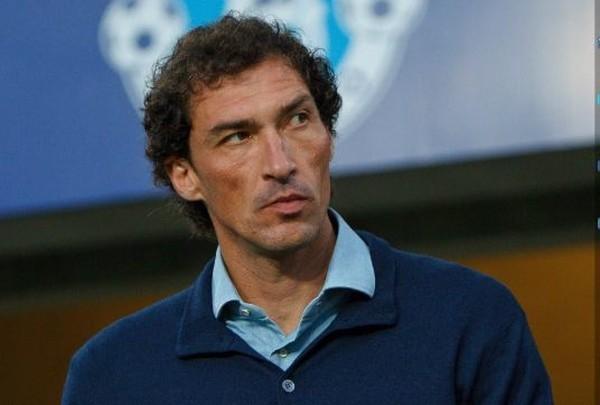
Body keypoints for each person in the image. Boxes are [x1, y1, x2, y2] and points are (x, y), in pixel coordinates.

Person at [62, 14, 552, 405]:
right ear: (184, 175)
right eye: (238, 137)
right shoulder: (113, 375)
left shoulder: (469, 318)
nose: (280, 164)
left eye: (297, 119)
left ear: (328, 135)